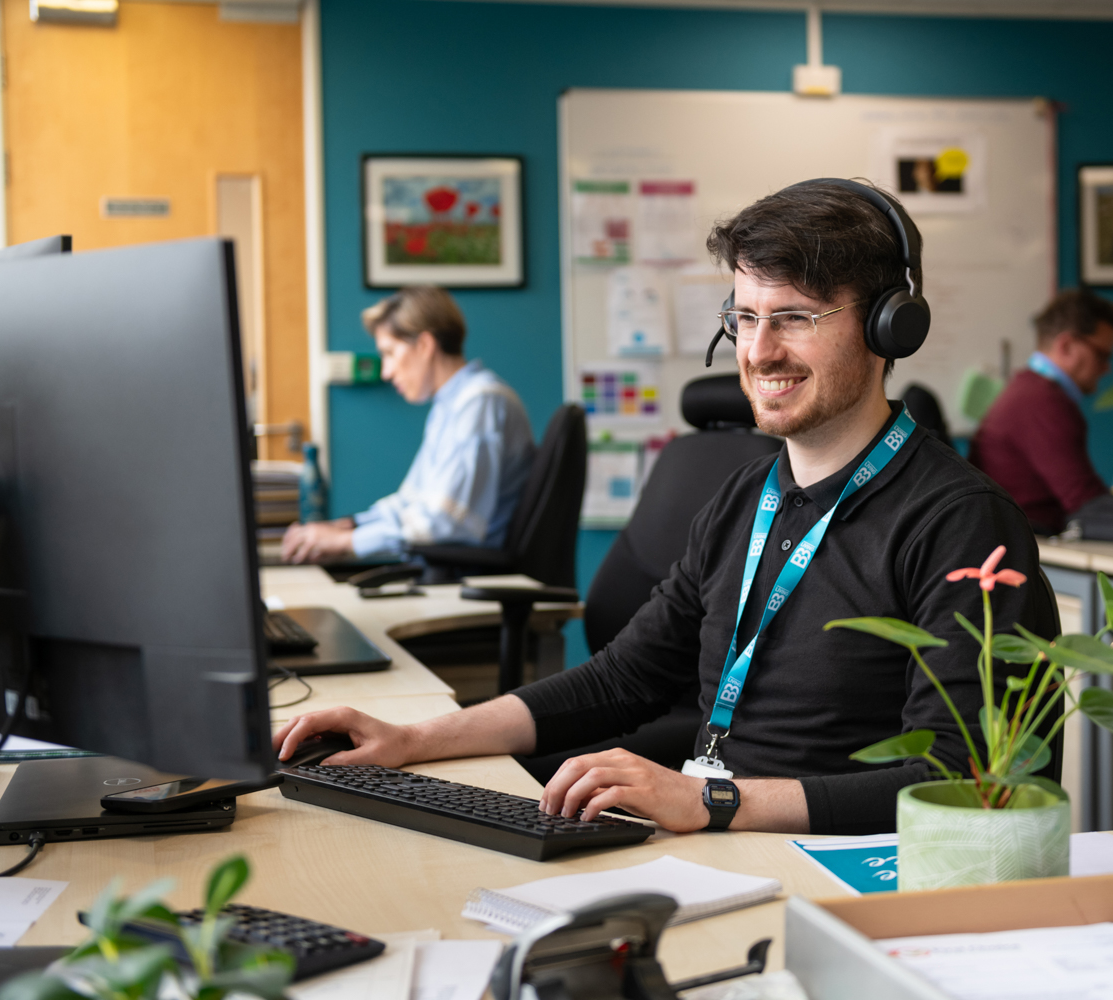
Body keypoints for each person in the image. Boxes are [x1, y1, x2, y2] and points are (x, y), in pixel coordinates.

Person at [274, 180, 1057, 836]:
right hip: (725, 843)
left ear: (892, 326)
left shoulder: (960, 522)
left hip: (835, 869)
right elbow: (624, 678)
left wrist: (709, 799)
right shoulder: (743, 498)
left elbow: (968, 782)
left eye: (795, 318)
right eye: (745, 318)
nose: (758, 352)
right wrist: (412, 739)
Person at [280, 286, 535, 564]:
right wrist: (350, 525)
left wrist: (347, 542)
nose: (386, 371)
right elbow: (413, 500)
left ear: (424, 345)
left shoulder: (479, 403)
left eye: (389, 353)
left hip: (465, 576)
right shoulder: (450, 404)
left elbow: (445, 521)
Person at [968, 289, 1113, 536]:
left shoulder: (1028, 389)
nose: (1106, 368)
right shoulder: (1042, 401)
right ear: (1066, 345)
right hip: (1029, 550)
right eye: (1101, 355)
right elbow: (1085, 503)